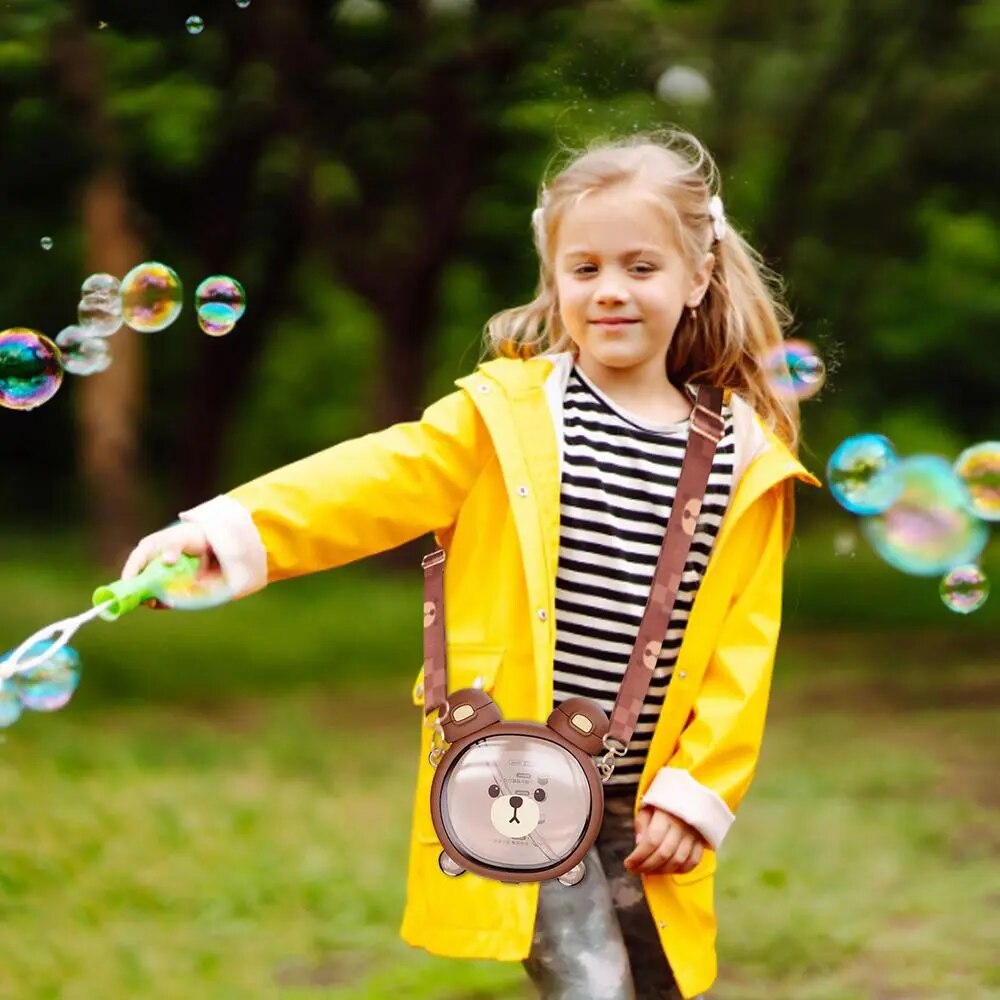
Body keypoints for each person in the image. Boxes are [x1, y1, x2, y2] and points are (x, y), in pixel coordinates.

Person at [122, 128, 820, 999]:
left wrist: (696, 791)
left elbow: (741, 650)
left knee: (662, 984)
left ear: (696, 278)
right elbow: (371, 480)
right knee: (592, 988)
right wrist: (226, 531)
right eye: (585, 268)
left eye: (641, 268)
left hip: (650, 797)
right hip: (519, 777)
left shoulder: (741, 455)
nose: (610, 291)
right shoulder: (510, 416)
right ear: (555, 277)